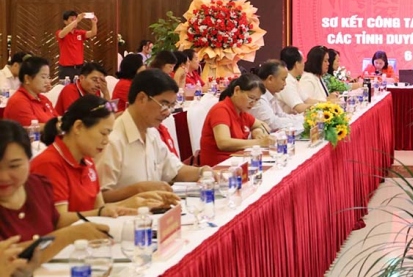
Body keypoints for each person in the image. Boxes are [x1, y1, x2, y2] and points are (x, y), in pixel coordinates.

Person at [30, 95, 176, 215]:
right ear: (78, 127)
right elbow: (60, 221)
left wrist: (139, 200)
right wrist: (126, 202)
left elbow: (99, 208)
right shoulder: (49, 163)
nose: (106, 141)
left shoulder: (87, 160)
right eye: (103, 133)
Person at [0, 120, 112, 267]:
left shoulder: (38, 185)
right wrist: (69, 236)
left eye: (14, 166)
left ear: (29, 160)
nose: (3, 176)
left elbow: (55, 222)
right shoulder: (50, 164)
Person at [99, 70, 213, 202]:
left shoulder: (152, 133)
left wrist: (202, 172)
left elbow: (175, 170)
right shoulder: (111, 140)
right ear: (142, 98)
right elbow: (99, 198)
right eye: (164, 105)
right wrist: (138, 190)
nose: (168, 113)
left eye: (171, 106)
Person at [199, 74, 274, 166]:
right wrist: (259, 142)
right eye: (251, 98)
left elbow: (263, 125)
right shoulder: (221, 110)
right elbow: (223, 143)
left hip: (237, 160)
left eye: (256, 100)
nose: (253, 103)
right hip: (220, 165)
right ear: (237, 90)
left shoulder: (242, 112)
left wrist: (257, 131)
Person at [4, 57, 58, 129]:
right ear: (27, 78)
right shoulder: (18, 102)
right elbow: (32, 129)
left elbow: (58, 120)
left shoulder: (43, 99)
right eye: (43, 77)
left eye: (48, 77)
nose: (47, 81)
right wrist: (57, 127)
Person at [250, 60, 300, 132]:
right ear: (270, 79)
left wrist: (301, 118)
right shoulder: (258, 97)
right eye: (283, 79)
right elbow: (272, 124)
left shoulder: (272, 94)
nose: (285, 83)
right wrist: (299, 120)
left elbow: (281, 115)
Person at [56, 11, 97, 83]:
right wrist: (77, 20)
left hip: (79, 67)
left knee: (79, 86)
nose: (75, 21)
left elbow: (93, 33)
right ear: (65, 22)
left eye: (75, 19)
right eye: (72, 19)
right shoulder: (61, 32)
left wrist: (94, 23)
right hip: (66, 67)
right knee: (66, 87)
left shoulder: (79, 33)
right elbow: (61, 35)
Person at [277, 46, 320, 114]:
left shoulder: (292, 79)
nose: (304, 64)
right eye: (303, 61)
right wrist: (324, 107)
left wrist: (329, 104)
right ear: (297, 64)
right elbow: (299, 108)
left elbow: (307, 100)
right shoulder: (287, 81)